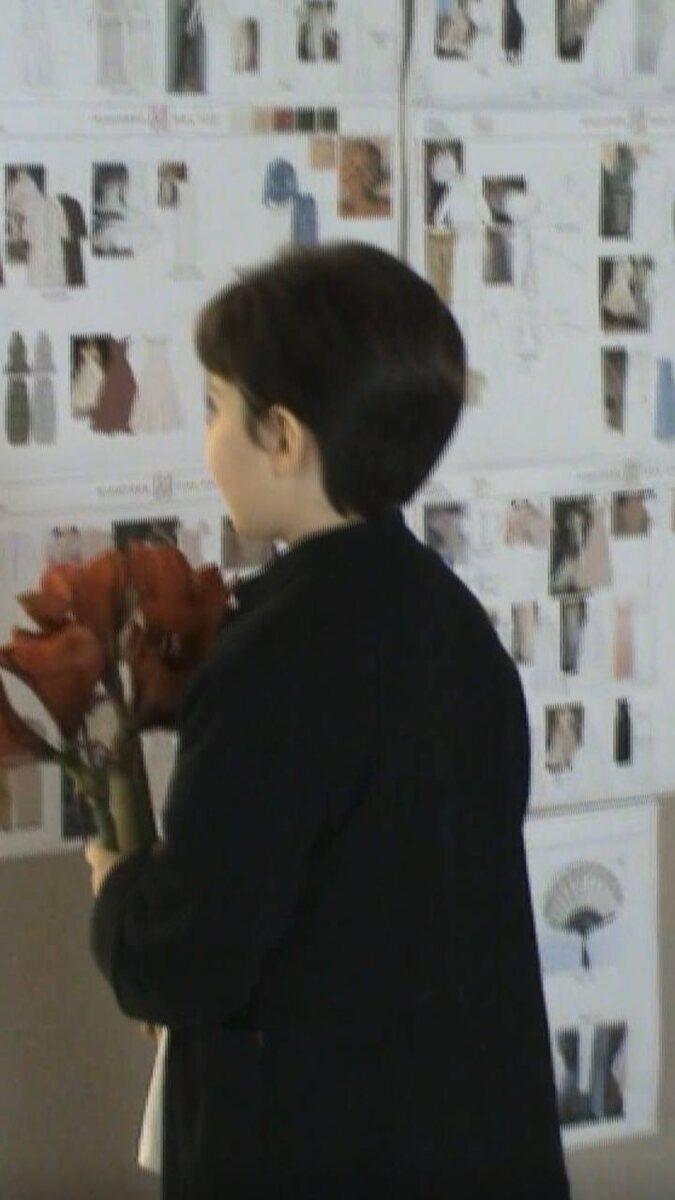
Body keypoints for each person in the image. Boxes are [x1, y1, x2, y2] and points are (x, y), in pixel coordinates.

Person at [84, 242, 570, 1199]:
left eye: (214, 408)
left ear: (282, 437)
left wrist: (118, 891)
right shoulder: (450, 622)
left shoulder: (274, 657)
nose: (205, 440)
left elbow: (186, 960)